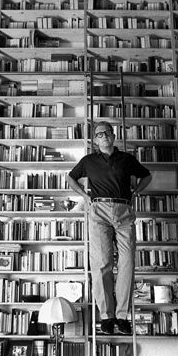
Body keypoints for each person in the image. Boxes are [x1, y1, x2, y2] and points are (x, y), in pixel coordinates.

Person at [66, 121, 152, 334]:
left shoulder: (127, 159)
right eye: (99, 134)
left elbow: (147, 175)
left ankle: (122, 316)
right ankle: (107, 316)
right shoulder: (88, 161)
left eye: (107, 133)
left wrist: (136, 191)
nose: (103, 136)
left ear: (113, 136)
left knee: (127, 262)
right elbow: (70, 178)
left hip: (124, 211)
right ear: (95, 140)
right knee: (102, 263)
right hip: (99, 211)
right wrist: (85, 196)